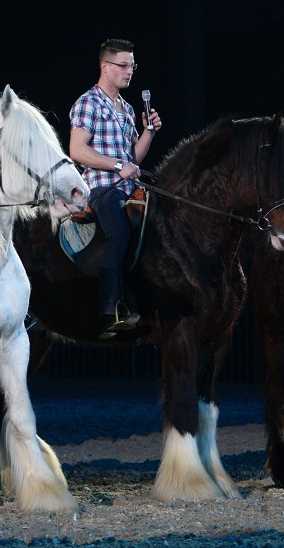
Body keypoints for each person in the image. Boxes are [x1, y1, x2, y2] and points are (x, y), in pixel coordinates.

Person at [69, 38, 162, 339]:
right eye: (123, 65)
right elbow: (77, 150)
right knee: (119, 231)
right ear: (105, 66)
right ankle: (110, 311)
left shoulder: (126, 108)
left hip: (129, 187)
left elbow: (133, 157)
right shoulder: (88, 102)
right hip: (101, 188)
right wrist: (116, 165)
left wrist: (149, 132)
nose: (129, 71)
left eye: (132, 66)